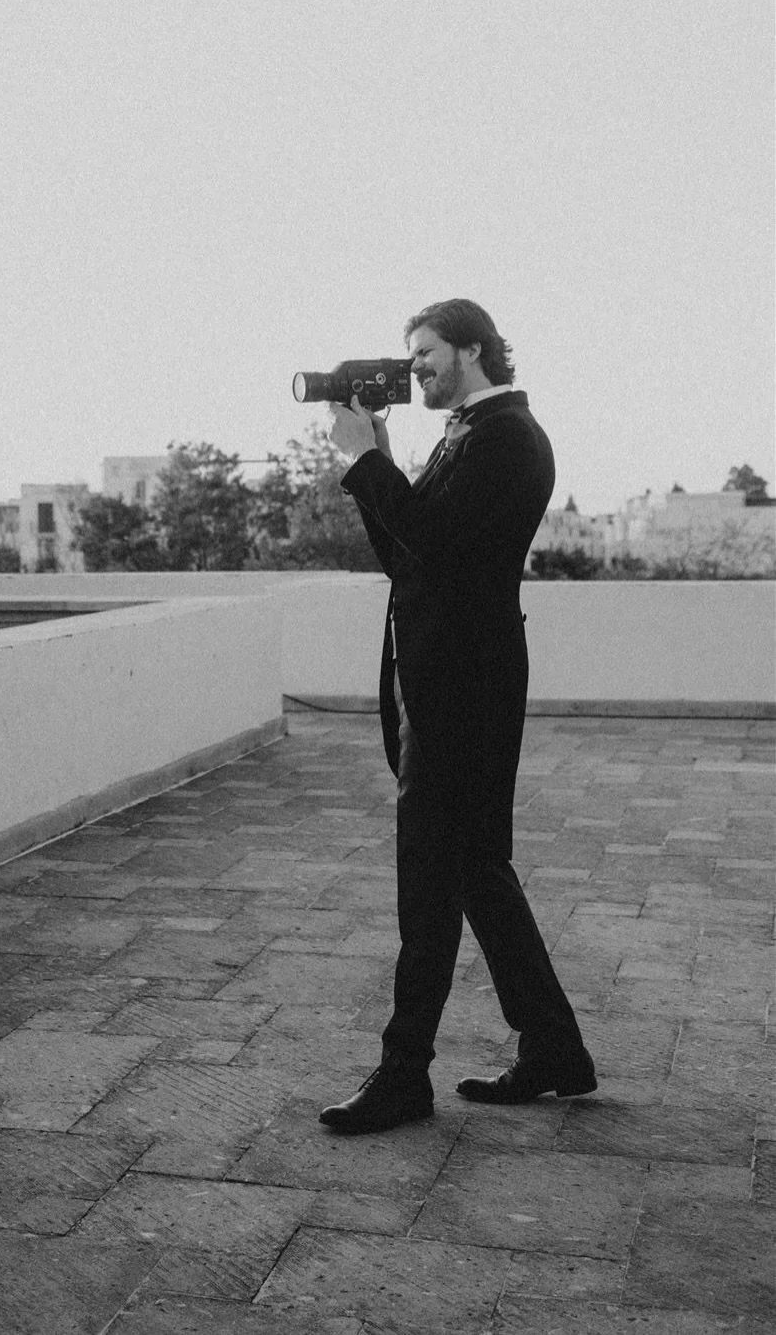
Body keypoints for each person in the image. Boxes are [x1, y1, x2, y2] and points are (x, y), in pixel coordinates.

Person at [318, 298, 595, 1135]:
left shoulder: (508, 437)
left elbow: (430, 547)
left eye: (427, 353)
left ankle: (404, 1074)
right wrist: (377, 461)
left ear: (472, 348)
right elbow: (405, 553)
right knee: (475, 868)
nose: (417, 370)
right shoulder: (467, 433)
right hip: (451, 679)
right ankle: (553, 1050)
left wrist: (366, 463)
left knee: (428, 878)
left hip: (460, 689)